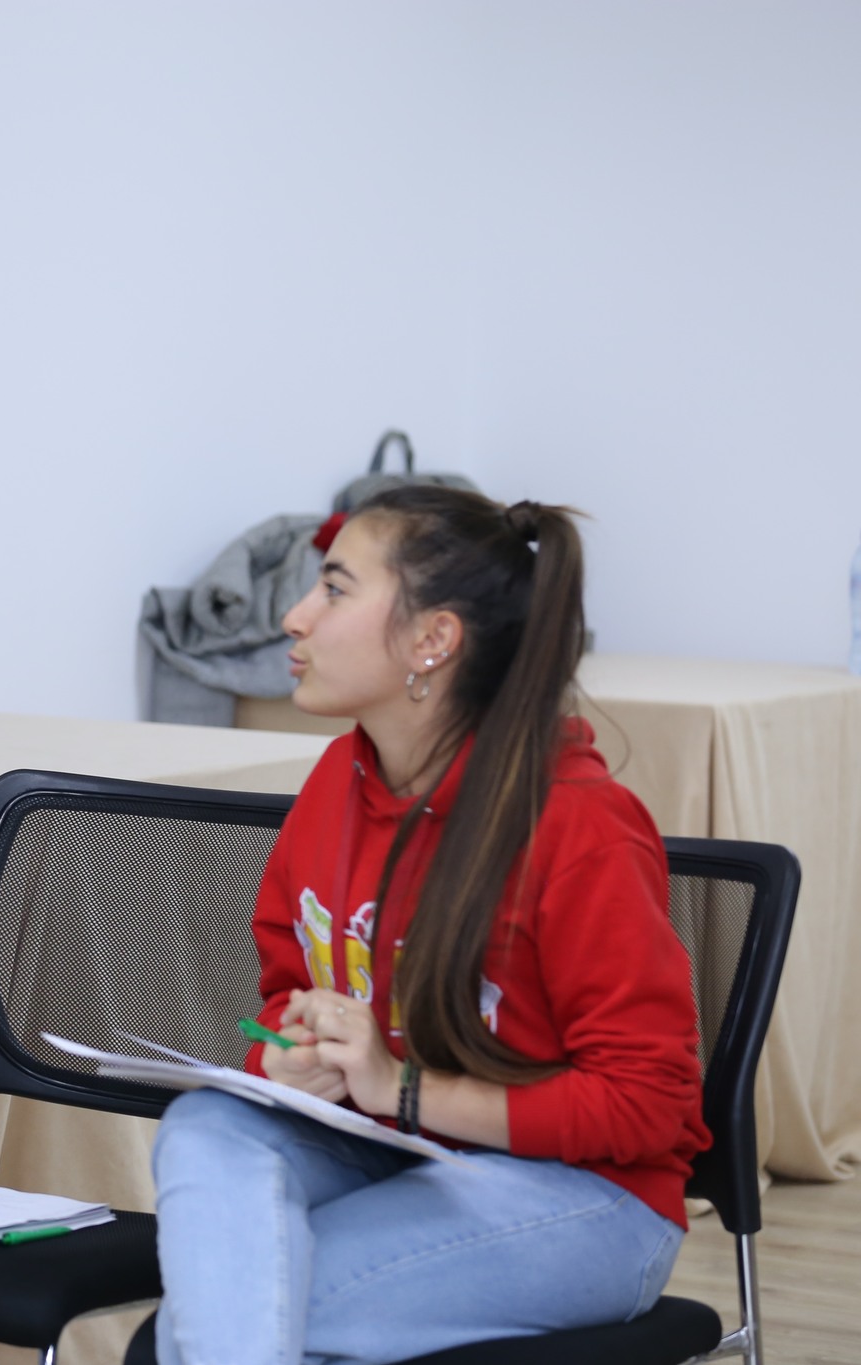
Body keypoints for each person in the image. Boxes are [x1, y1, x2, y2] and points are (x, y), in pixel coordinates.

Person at [150, 486, 707, 1365]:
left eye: (334, 588)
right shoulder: (335, 784)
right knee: (209, 1126)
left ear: (432, 639)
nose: (295, 617)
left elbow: (645, 1105)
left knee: (218, 1321)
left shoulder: (580, 827)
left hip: (589, 1200)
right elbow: (283, 997)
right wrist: (286, 1053)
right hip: (403, 1152)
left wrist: (403, 1088)